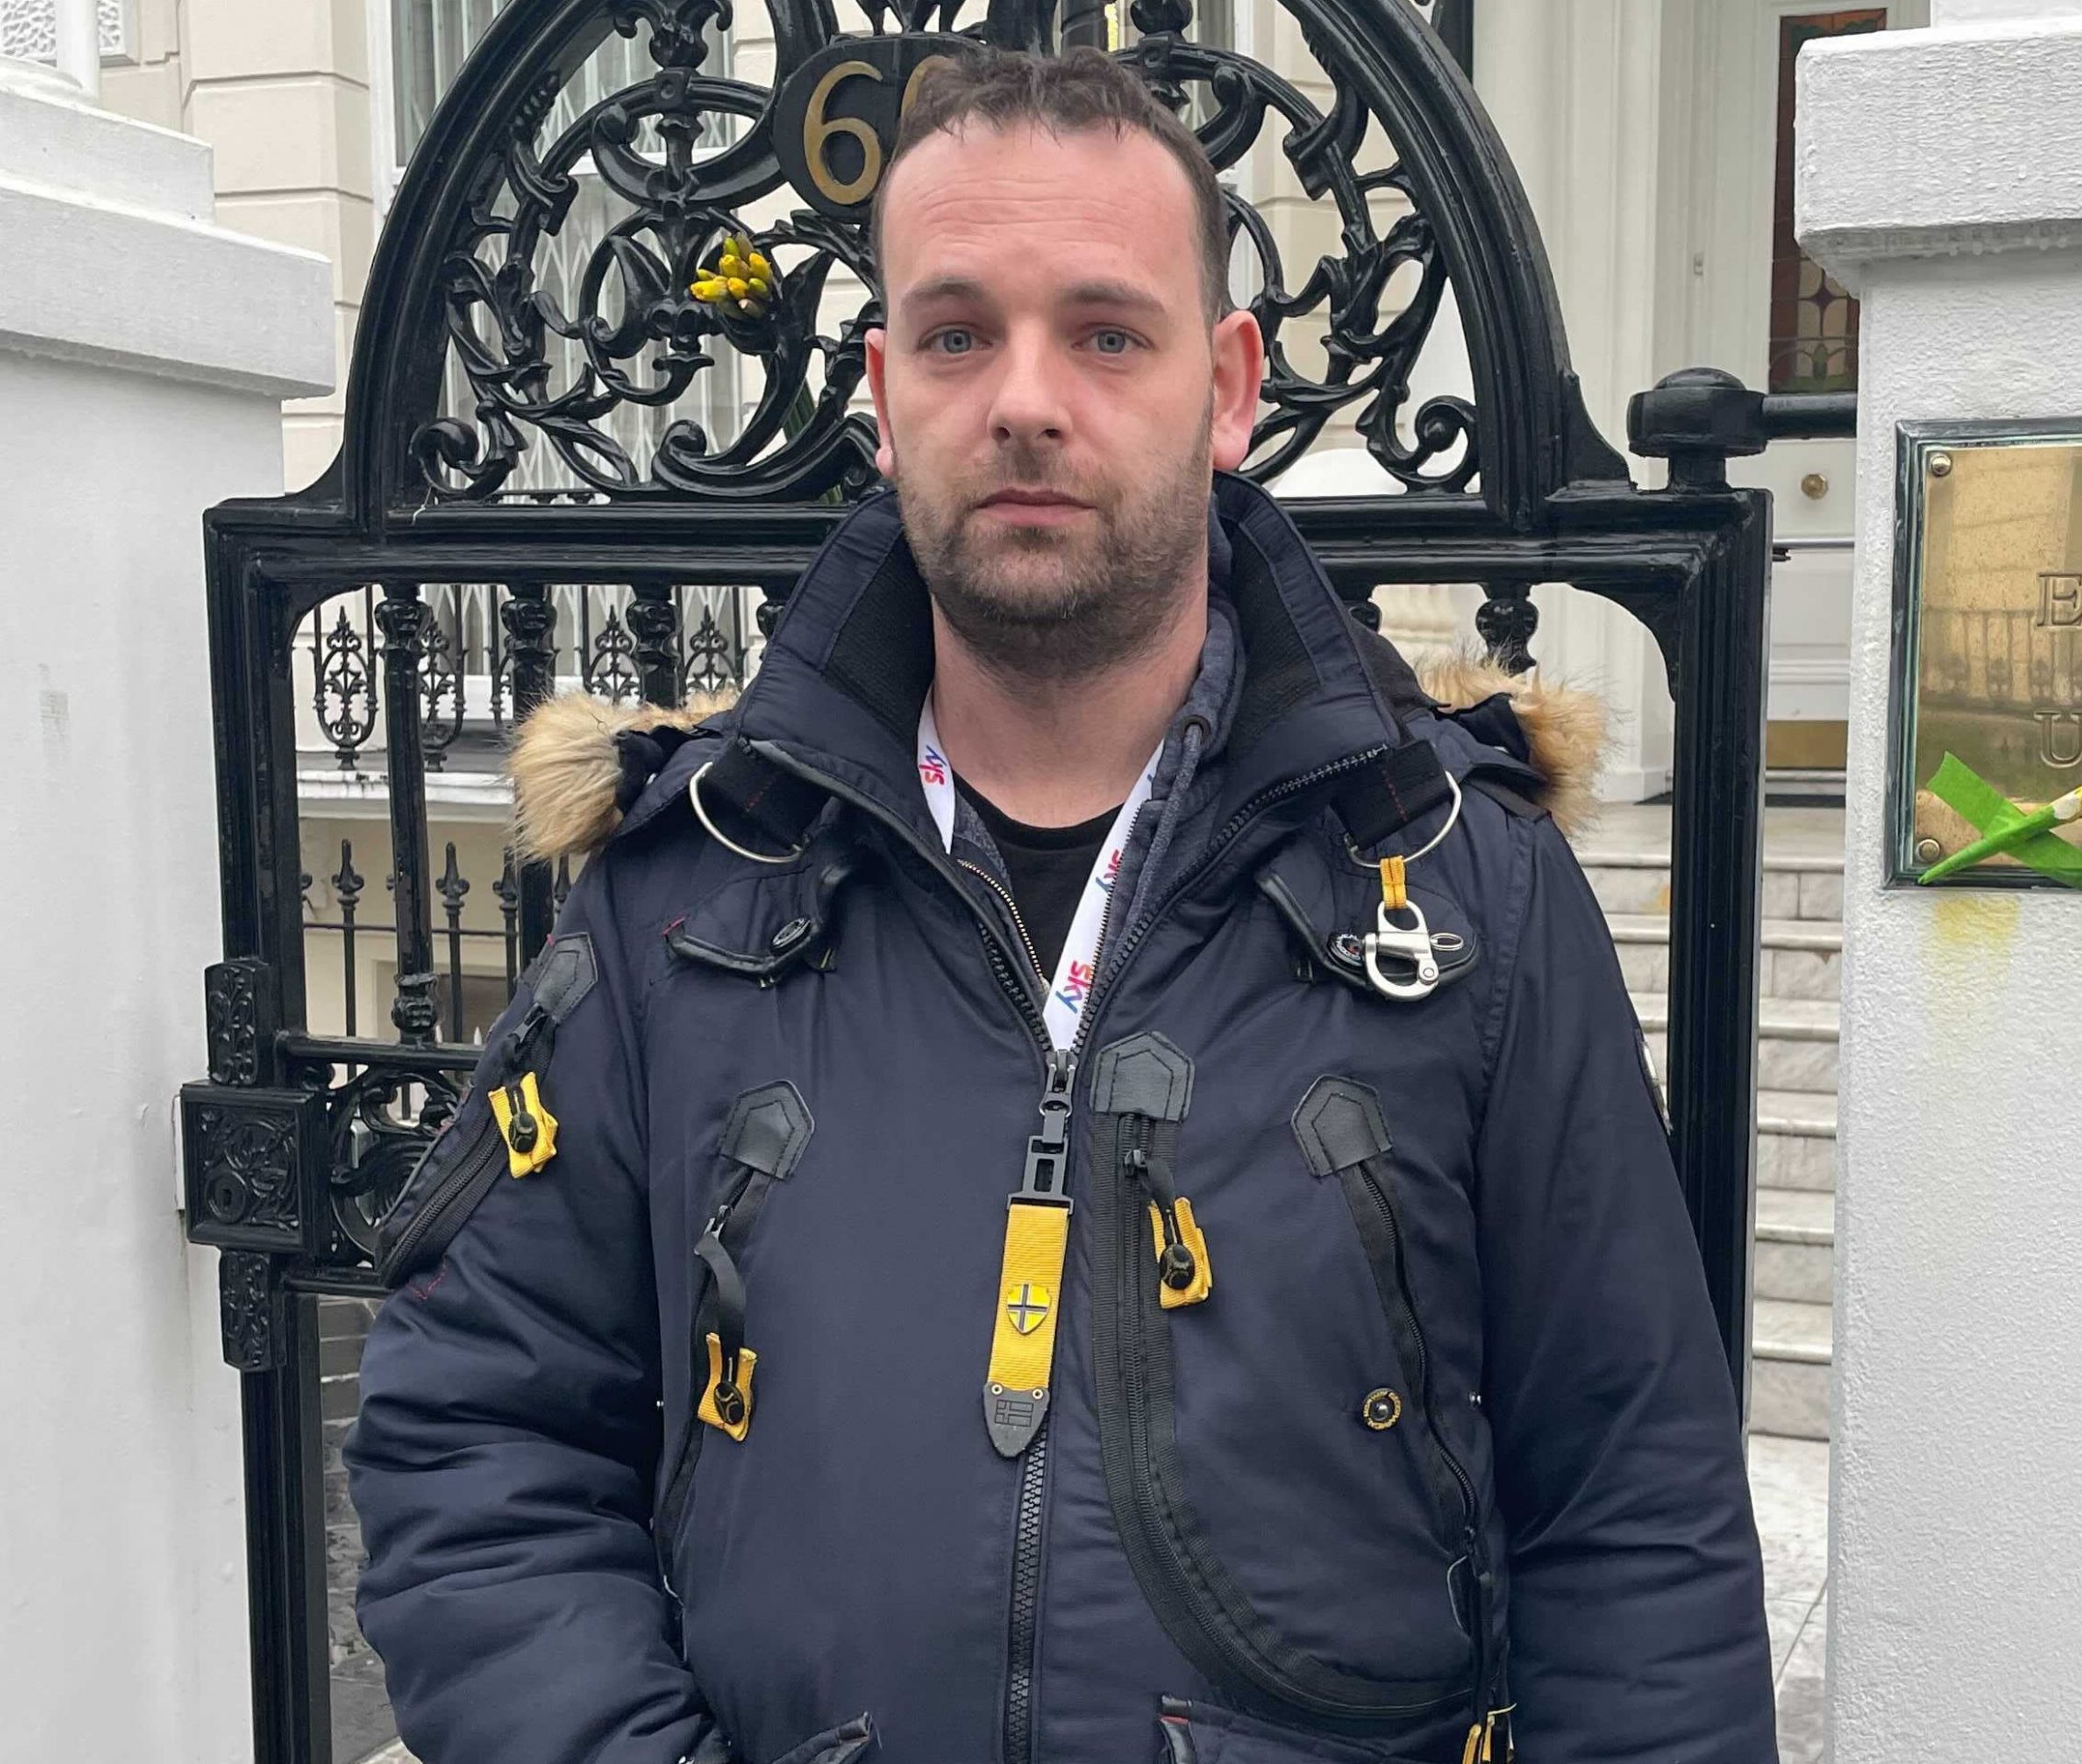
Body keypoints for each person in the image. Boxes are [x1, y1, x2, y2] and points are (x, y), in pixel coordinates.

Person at [345, 48, 1775, 1764]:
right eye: (958, 334)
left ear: (1228, 387)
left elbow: (1634, 1510)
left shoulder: (1466, 891)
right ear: (883, 391)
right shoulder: (686, 885)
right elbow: (478, 1441)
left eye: (1107, 332)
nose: (1025, 399)